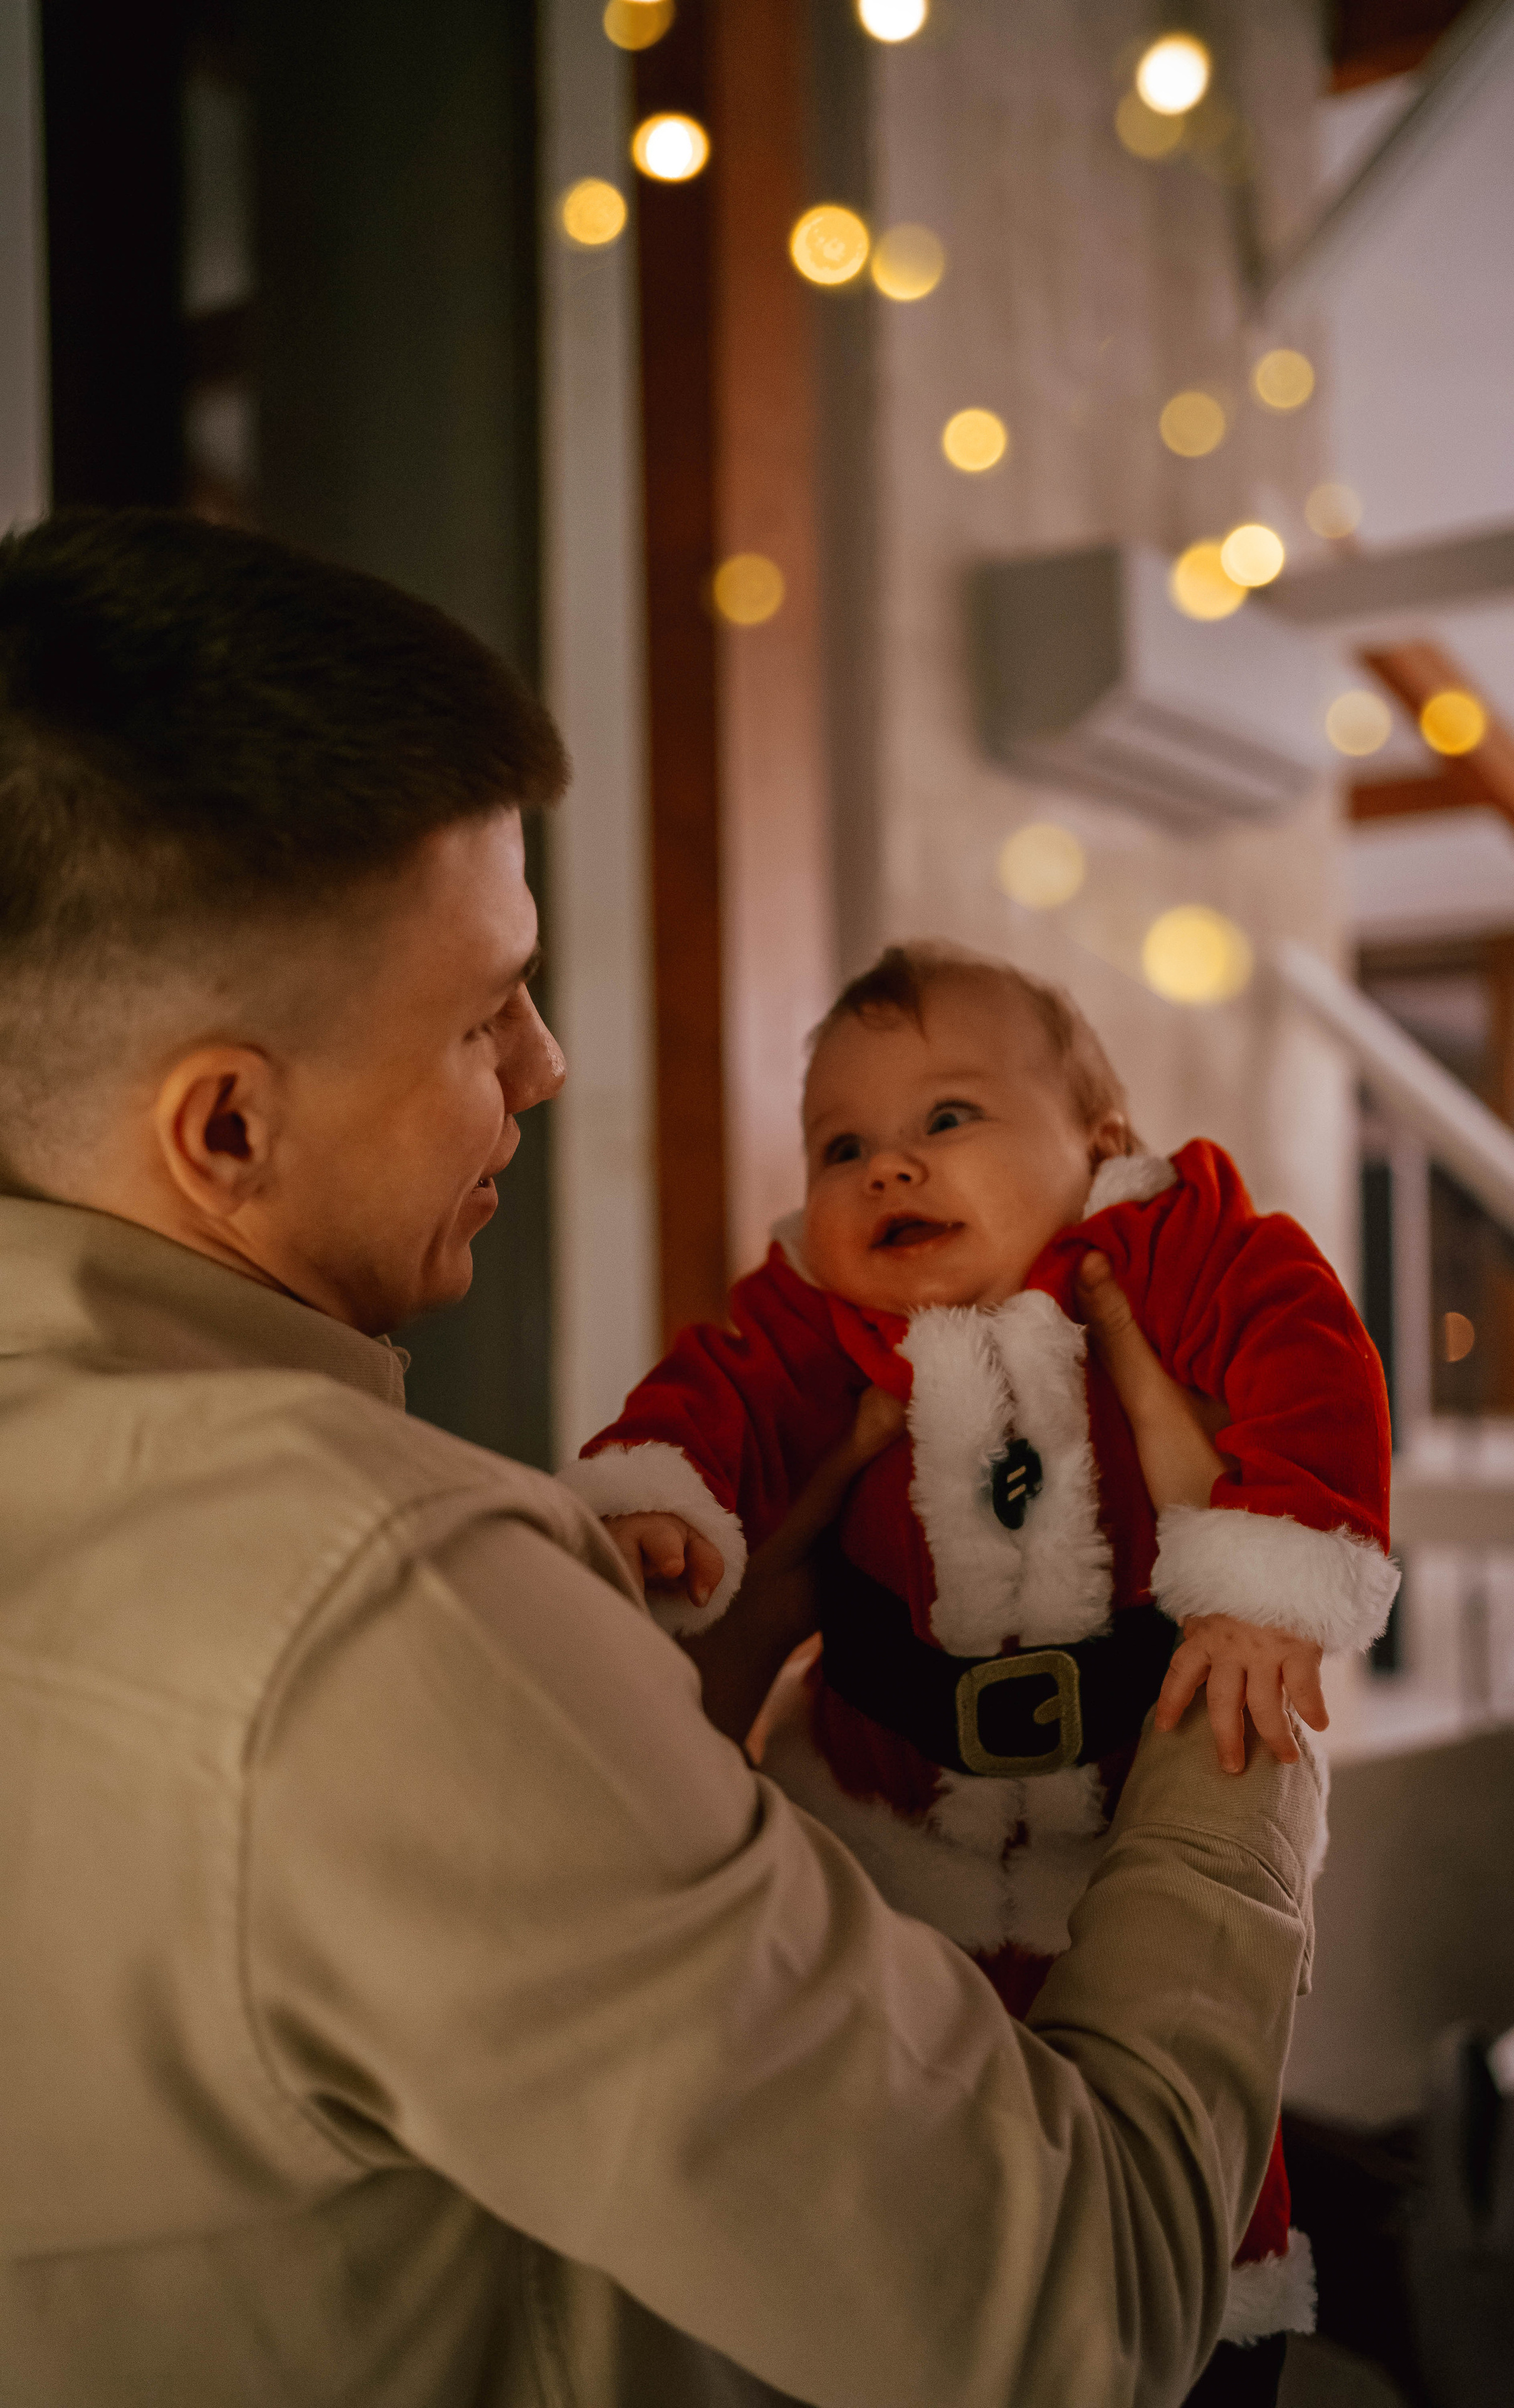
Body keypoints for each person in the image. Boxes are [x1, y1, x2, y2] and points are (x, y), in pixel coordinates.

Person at [0, 507, 1323, 2408]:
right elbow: (1077, 2309)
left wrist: (656, 1716)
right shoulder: (378, 1617)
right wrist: (1238, 1694)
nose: (545, 1066)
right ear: (224, 1131)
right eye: (483, 1014)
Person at [571, 944, 1399, 2390]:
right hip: (885, 1847)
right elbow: (716, 1392)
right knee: (903, 2168)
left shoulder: (1165, 1248)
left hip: (1123, 1842)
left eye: (946, 1117)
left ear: (1099, 1140)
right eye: (842, 1147)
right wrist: (659, 1498)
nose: (887, 1168)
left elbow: (1305, 1345)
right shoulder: (813, 1317)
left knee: (1195, 2203)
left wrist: (1266, 1577)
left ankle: (1215, 2346)